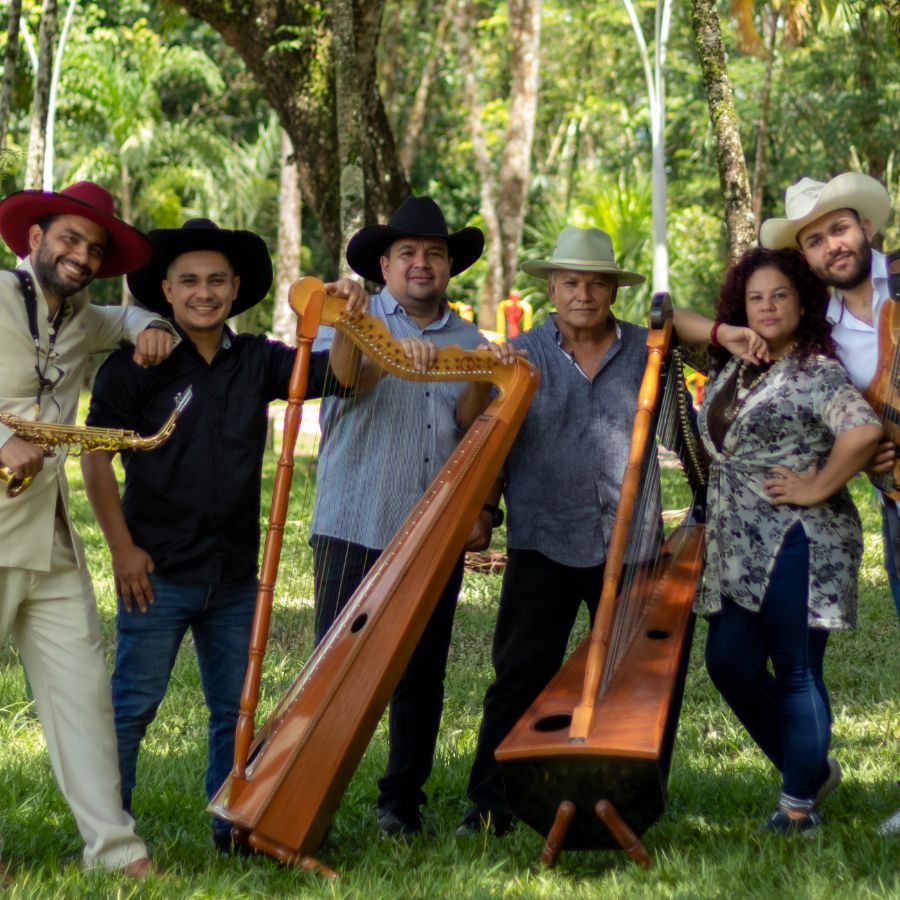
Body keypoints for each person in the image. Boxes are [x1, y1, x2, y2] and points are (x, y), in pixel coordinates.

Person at [78, 219, 368, 854]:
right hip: (155, 570)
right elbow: (95, 458)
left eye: (216, 280)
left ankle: (229, 830)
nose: (203, 292)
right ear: (167, 289)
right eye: (189, 281)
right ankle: (109, 832)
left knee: (231, 715)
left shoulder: (259, 359)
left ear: (236, 288)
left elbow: (345, 378)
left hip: (237, 577)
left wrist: (347, 315)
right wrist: (122, 550)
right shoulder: (136, 365)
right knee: (132, 706)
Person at [672, 246, 882, 834]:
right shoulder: (734, 360)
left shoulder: (817, 369)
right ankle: (808, 768)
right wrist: (727, 333)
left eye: (779, 295)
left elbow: (862, 431)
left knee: (795, 669)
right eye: (754, 297)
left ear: (803, 301)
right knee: (729, 663)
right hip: (736, 543)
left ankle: (797, 807)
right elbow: (664, 315)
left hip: (801, 537)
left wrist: (816, 487)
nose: (766, 307)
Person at [0, 181, 176, 878]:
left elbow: (129, 322)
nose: (82, 255)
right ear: (34, 239)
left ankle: (117, 853)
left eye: (95, 248)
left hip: (50, 537)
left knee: (83, 696)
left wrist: (152, 328)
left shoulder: (82, 317)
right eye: (70, 239)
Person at [454, 226, 654, 836]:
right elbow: (474, 423)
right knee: (519, 674)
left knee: (633, 682)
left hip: (632, 543)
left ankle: (626, 802)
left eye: (596, 283)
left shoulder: (651, 350)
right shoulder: (521, 353)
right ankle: (490, 805)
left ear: (614, 291)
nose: (584, 294)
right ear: (552, 287)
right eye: (571, 282)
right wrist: (483, 375)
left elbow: (689, 423)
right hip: (542, 538)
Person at [310, 196, 488, 837]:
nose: (422, 264)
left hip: (432, 538)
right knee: (332, 670)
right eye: (407, 253)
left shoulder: (473, 341)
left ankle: (399, 805)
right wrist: (383, 347)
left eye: (434, 253)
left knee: (421, 676)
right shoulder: (350, 319)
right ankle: (307, 792)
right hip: (352, 520)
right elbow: (347, 381)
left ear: (448, 267)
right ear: (383, 265)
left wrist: (484, 510)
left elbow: (475, 434)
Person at [760, 171, 899, 835]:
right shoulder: (823, 331)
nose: (832, 246)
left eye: (838, 229)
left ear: (865, 229)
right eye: (815, 241)